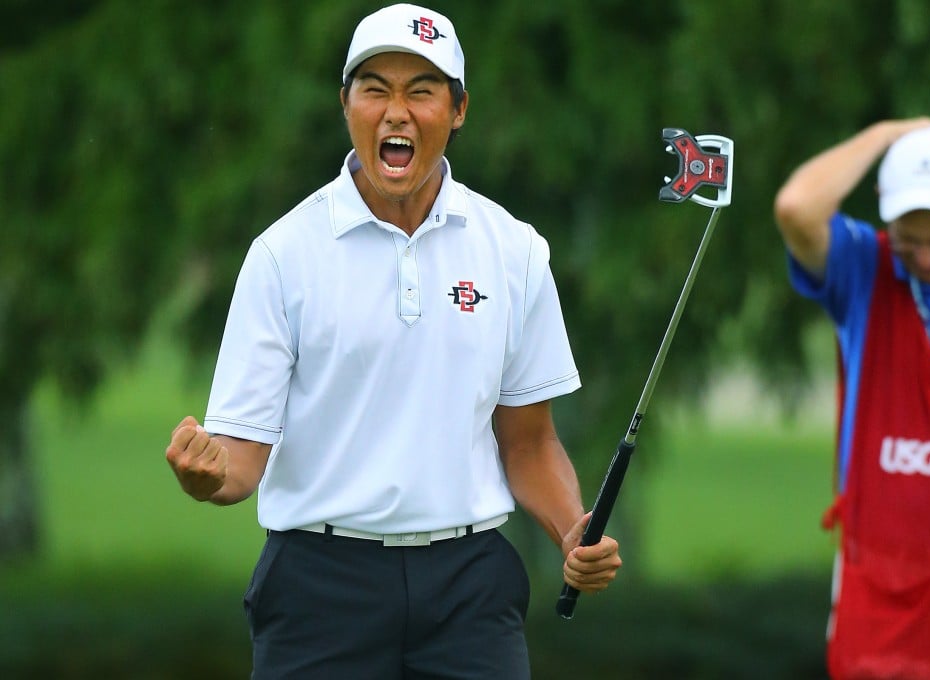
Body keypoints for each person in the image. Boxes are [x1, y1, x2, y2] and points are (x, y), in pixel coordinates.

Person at [164, 4, 621, 677]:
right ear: (345, 103)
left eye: (422, 91)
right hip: (320, 588)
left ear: (459, 109)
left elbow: (528, 441)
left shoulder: (514, 250)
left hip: (469, 588)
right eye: (374, 88)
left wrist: (571, 528)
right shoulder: (284, 254)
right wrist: (207, 475)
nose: (396, 111)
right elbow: (242, 457)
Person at [774, 118, 930, 679]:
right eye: (910, 239)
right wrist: (890, 133)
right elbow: (796, 207)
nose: (927, 258)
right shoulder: (862, 267)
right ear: (884, 206)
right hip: (883, 595)